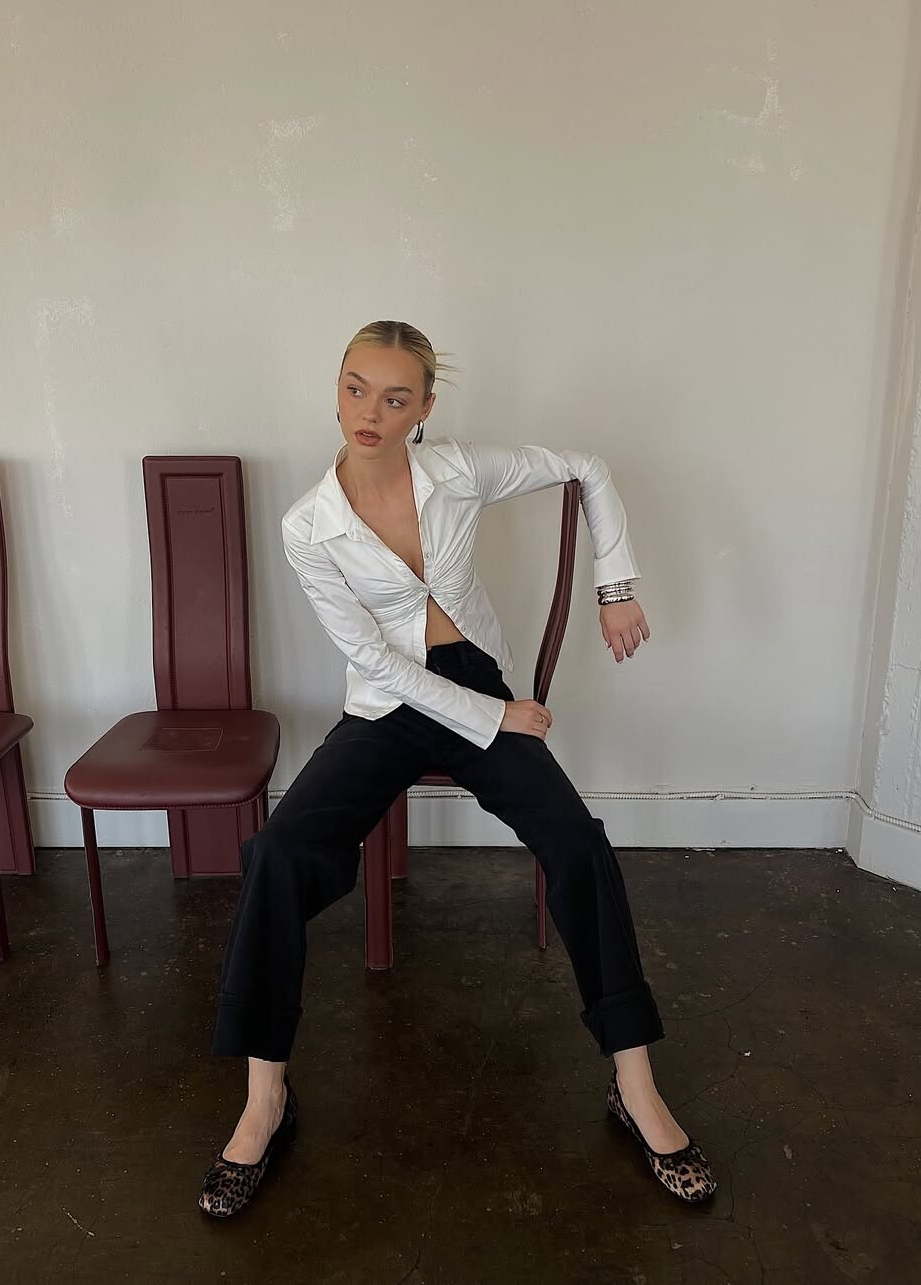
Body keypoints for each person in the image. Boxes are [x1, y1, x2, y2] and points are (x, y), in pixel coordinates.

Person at [198, 321, 716, 1217]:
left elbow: (586, 466)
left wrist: (616, 589)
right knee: (278, 852)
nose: (370, 411)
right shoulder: (308, 526)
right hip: (388, 707)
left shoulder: (458, 472)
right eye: (356, 388)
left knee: (577, 843)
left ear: (424, 408)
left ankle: (635, 1085)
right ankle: (263, 1097)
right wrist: (496, 718)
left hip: (478, 680)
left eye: (395, 397)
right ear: (336, 388)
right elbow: (373, 656)